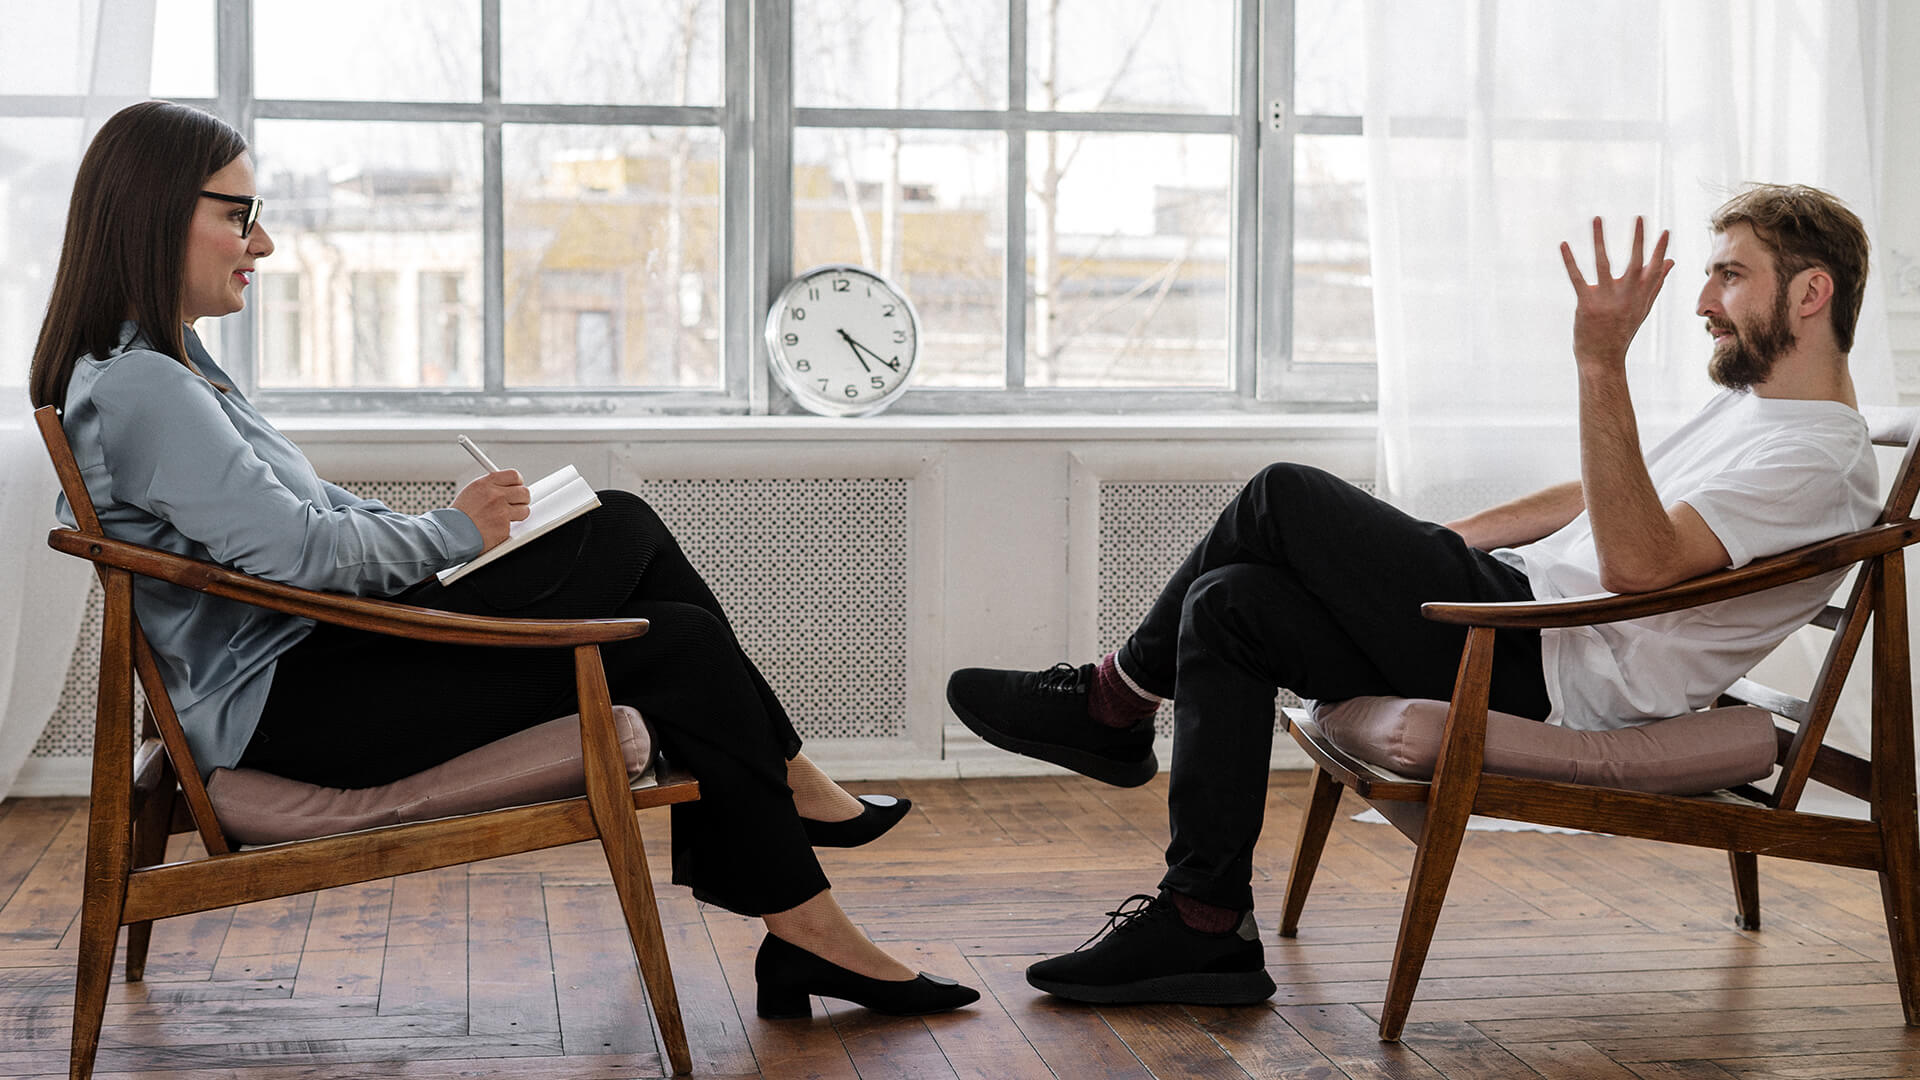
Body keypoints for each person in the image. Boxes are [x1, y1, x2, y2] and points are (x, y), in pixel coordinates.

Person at [29, 100, 977, 1020]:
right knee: (625, 536)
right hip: (295, 708)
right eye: (241, 217)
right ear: (156, 213)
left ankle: (806, 920)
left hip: (315, 672)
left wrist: (460, 534)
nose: (262, 246)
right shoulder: (148, 385)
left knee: (662, 606)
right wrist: (454, 534)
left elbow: (302, 516)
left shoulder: (168, 367)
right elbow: (299, 553)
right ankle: (795, 818)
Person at [947, 185, 1879, 1006]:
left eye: (1730, 275)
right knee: (1229, 600)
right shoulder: (1758, 413)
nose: (1705, 302)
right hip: (1518, 613)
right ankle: (1204, 921)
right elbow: (1602, 493)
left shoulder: (1815, 459)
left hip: (1547, 664)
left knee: (1283, 493)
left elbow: (1638, 565)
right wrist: (1437, 546)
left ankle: (1114, 703)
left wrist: (1599, 362)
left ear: (1809, 291)